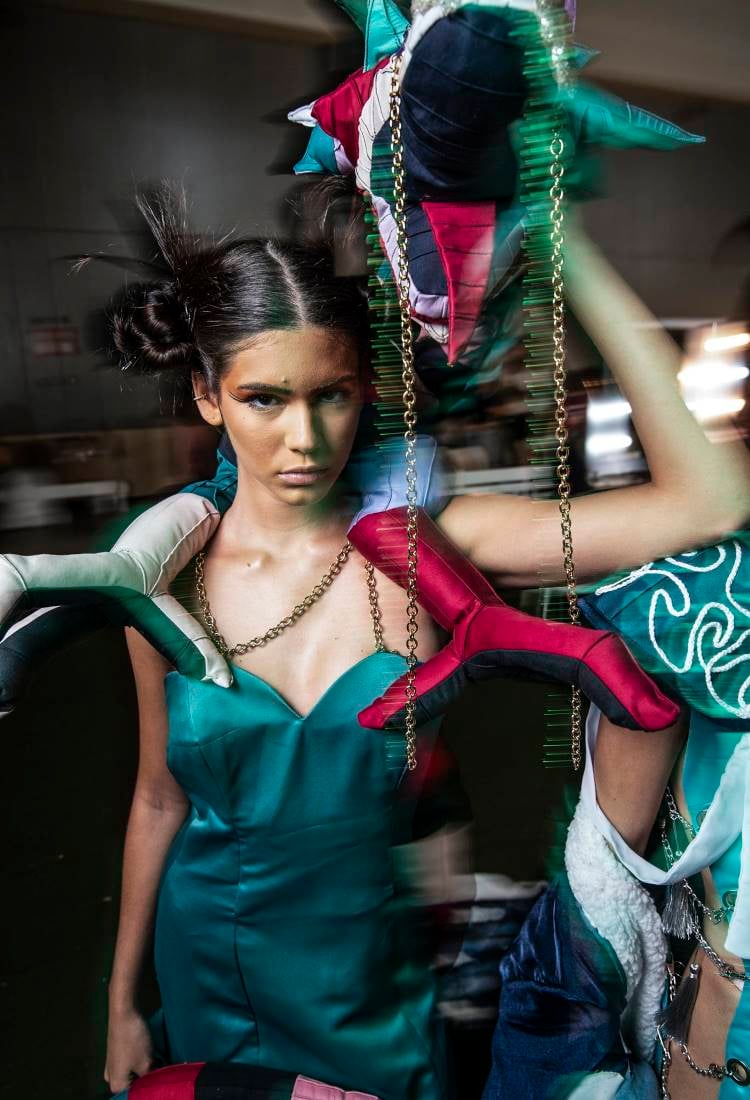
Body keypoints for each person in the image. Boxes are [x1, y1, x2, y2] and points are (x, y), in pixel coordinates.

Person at [21, 183, 742, 1098]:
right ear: (207, 396)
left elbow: (710, 501)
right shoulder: (166, 575)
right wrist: (126, 1001)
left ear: (366, 385)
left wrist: (569, 246)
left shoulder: (433, 547)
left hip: (373, 982)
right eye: (263, 398)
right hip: (204, 963)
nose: (303, 437)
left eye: (330, 395)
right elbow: (160, 798)